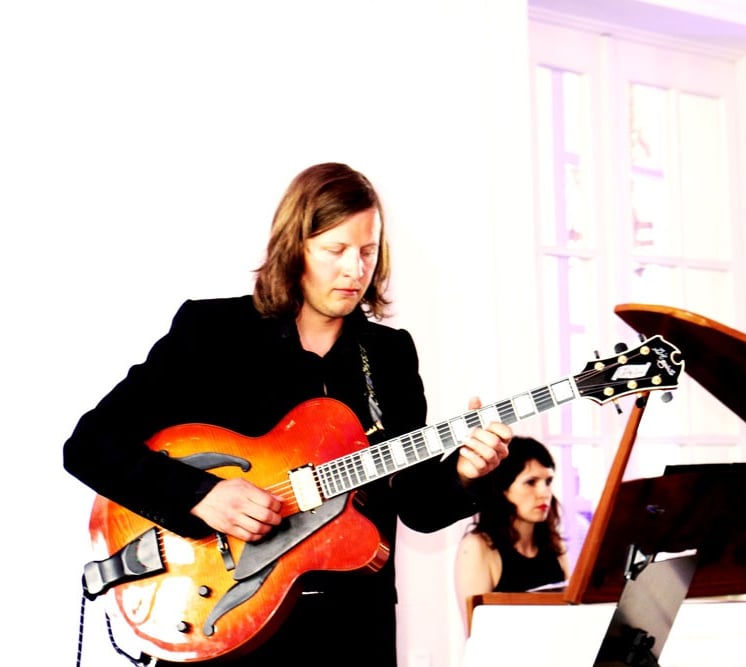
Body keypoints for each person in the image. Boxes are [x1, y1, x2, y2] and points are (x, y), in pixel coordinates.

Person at [63, 162, 512, 667]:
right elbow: (90, 445)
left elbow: (418, 506)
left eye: (367, 251)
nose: (355, 270)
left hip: (352, 631)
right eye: (336, 250)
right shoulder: (213, 333)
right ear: (295, 247)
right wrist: (202, 495)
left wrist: (465, 471)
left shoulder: (388, 355)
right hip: (225, 628)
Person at [454, 436, 569, 634]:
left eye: (548, 481)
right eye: (531, 482)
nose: (545, 493)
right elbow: (477, 636)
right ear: (503, 488)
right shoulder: (477, 546)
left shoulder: (554, 543)